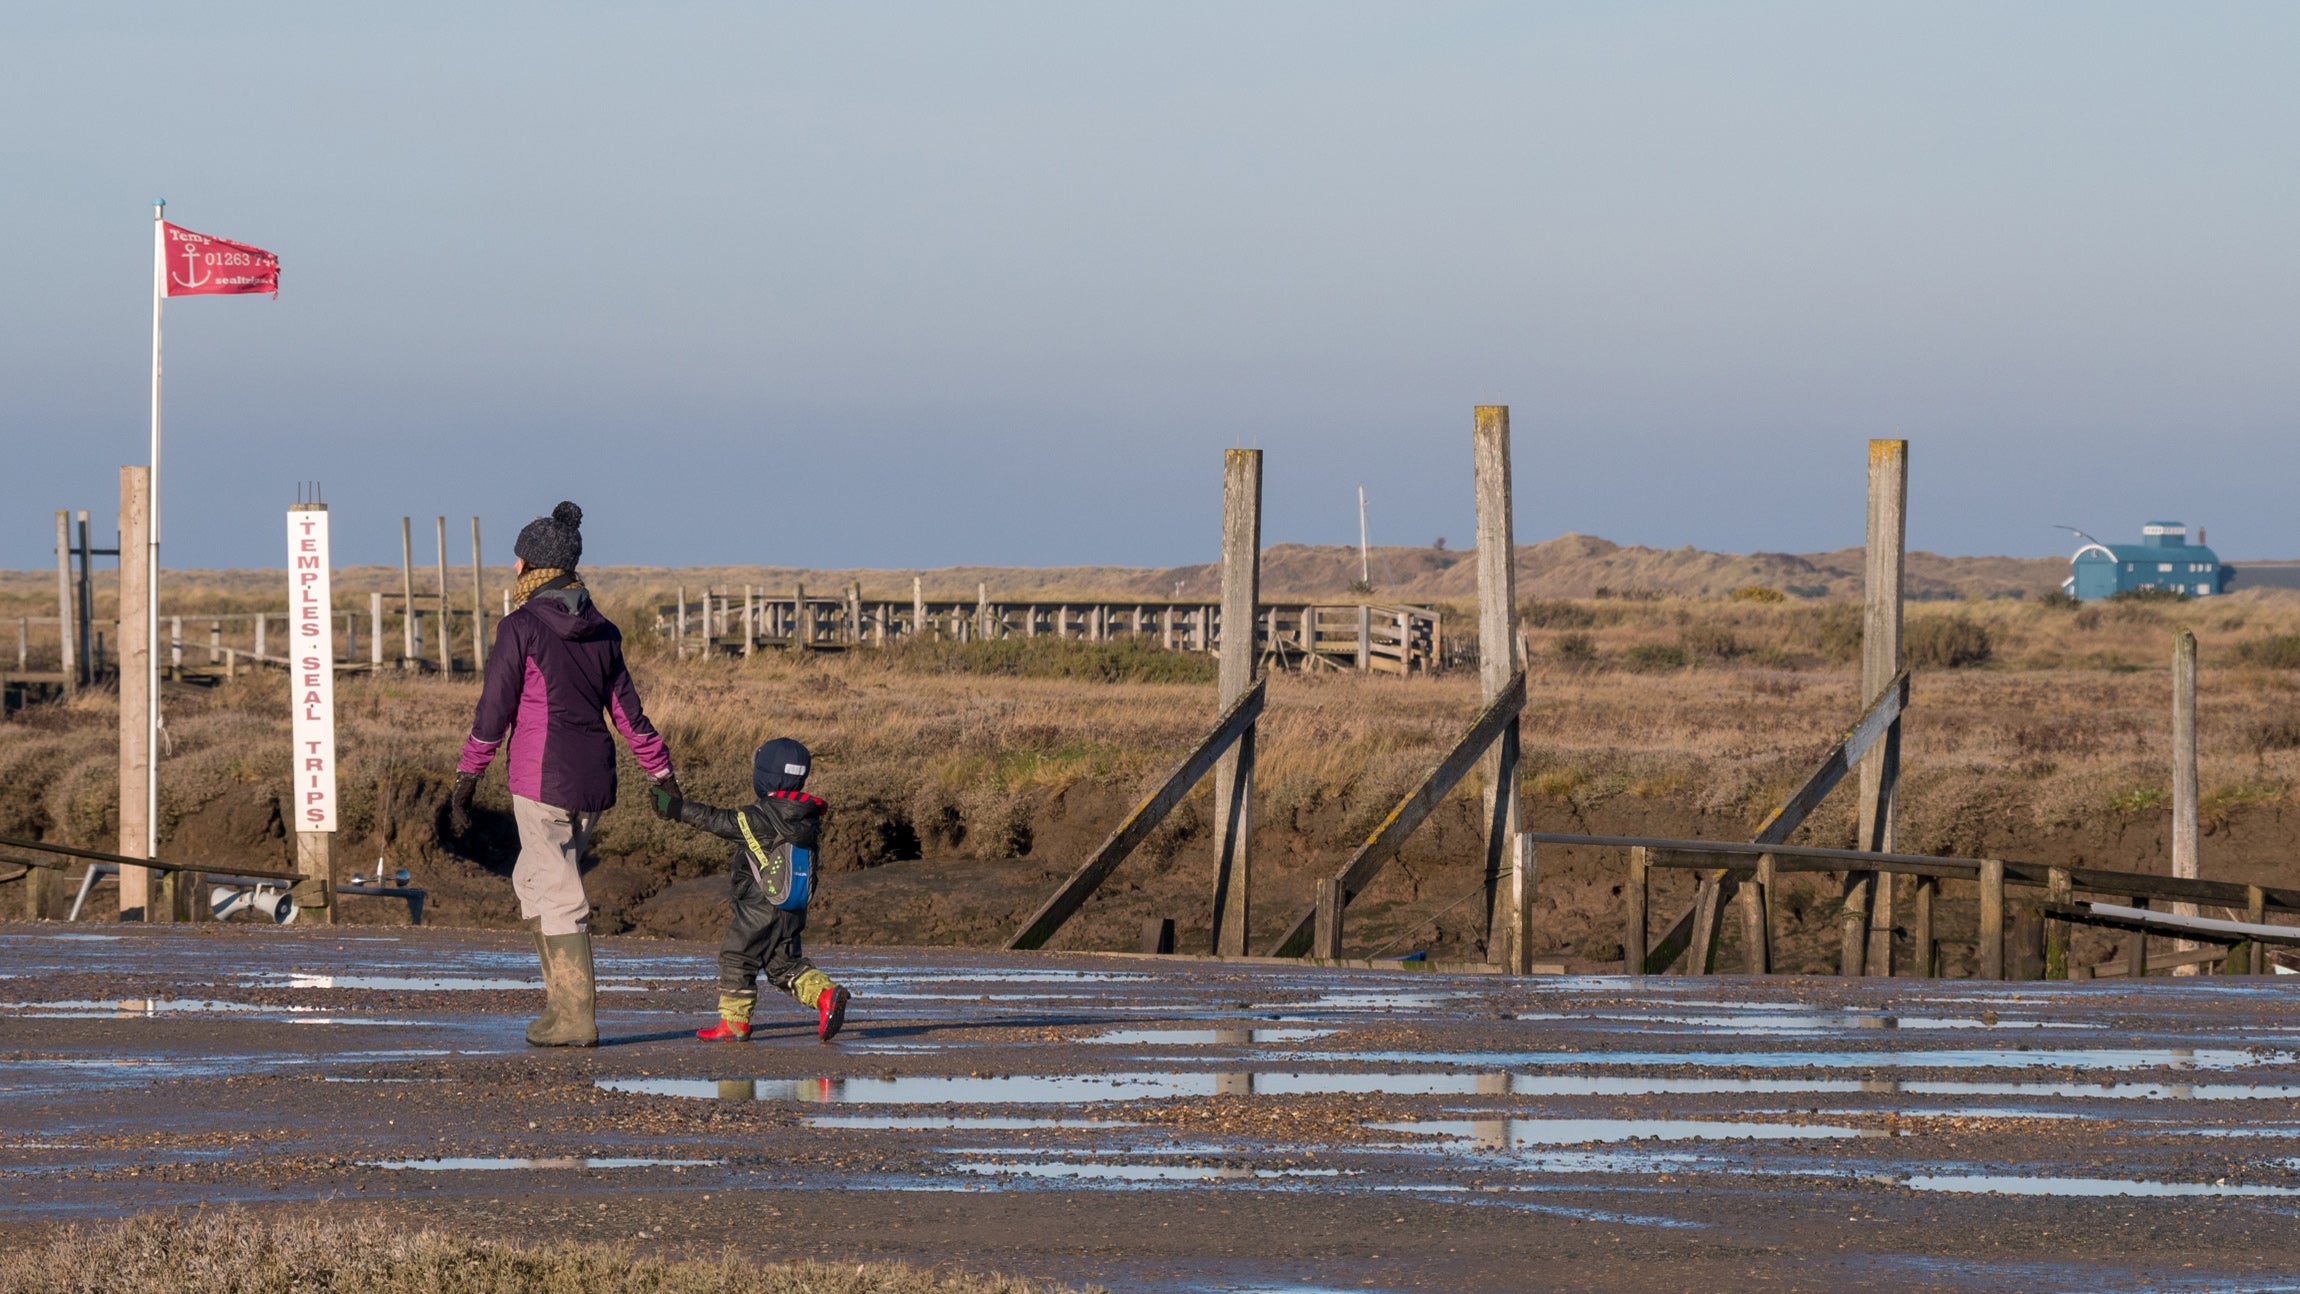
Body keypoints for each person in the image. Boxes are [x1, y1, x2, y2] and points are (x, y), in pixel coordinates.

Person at [448, 501, 679, 1047]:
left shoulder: (520, 627)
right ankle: (558, 1012)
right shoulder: (603, 630)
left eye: (519, 559)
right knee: (535, 881)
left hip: (541, 780)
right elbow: (629, 715)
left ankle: (576, 1021)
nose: (514, 568)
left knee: (557, 893)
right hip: (592, 783)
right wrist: (661, 775)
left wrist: (466, 778)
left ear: (533, 568)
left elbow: (492, 713)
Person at [650, 736, 851, 1043]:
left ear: (765, 776)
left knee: (736, 955)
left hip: (760, 904)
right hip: (792, 906)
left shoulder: (762, 816)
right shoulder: (805, 816)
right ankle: (825, 995)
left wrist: (676, 808)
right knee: (784, 964)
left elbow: (717, 820)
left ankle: (734, 1023)